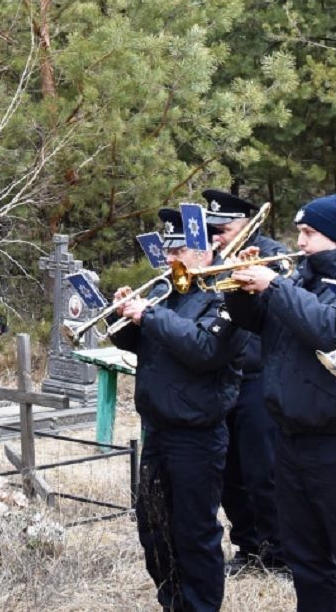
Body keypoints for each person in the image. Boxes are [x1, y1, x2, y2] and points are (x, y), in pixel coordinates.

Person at [226, 194, 336, 611]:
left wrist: (275, 285)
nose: (300, 242)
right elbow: (254, 323)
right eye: (299, 232)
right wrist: (242, 289)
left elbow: (334, 330)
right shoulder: (300, 279)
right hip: (291, 437)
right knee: (306, 558)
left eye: (309, 233)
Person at [110, 208, 248, 611]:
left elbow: (206, 350)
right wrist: (126, 316)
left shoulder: (227, 293)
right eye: (169, 248)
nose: (171, 258)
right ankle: (172, 603)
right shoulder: (168, 293)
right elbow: (143, 345)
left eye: (180, 249)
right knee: (154, 528)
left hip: (197, 435)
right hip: (158, 428)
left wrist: (150, 315)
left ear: (204, 252)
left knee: (195, 531)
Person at [201, 189, 289, 575]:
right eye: (212, 229)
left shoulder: (272, 255)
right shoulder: (214, 258)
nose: (216, 236)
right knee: (230, 471)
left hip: (260, 375)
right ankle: (248, 546)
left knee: (263, 470)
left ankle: (280, 551)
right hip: (225, 376)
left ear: (246, 224)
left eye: (223, 228)